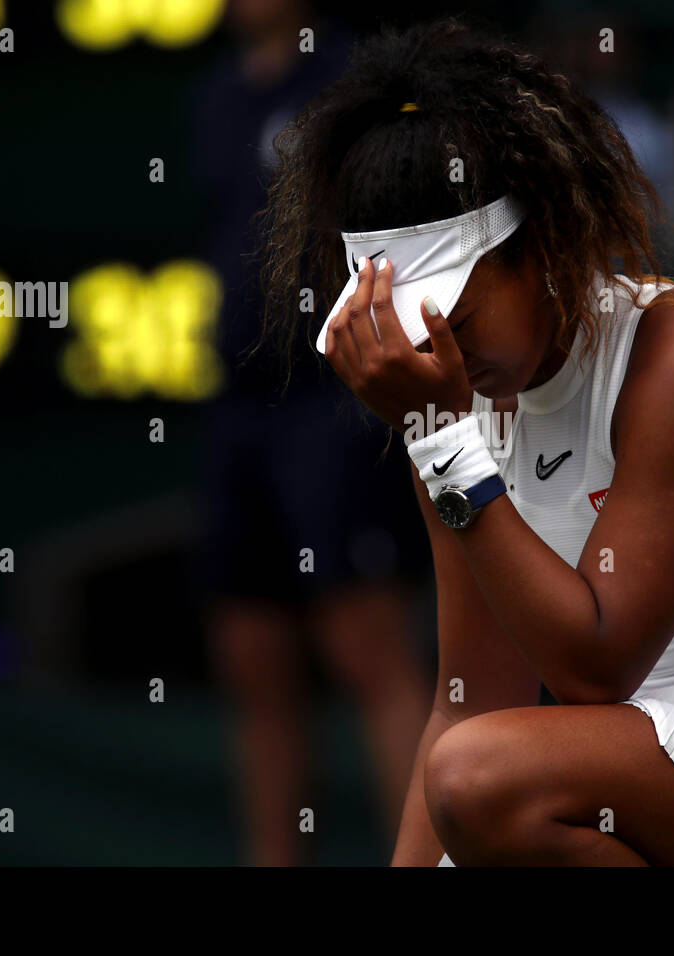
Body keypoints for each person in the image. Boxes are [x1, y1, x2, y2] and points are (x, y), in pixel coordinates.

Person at [256, 15, 674, 865]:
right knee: (470, 781)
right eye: (416, 331)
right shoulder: (446, 405)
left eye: (458, 316)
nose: (442, 352)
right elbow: (473, 700)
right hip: (659, 774)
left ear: (542, 246)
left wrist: (442, 443)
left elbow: (594, 669)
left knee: (479, 782)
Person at [192, 0, 431, 866]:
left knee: (368, 644)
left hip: (330, 398)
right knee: (251, 654)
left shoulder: (348, 81)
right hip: (237, 407)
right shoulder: (217, 97)